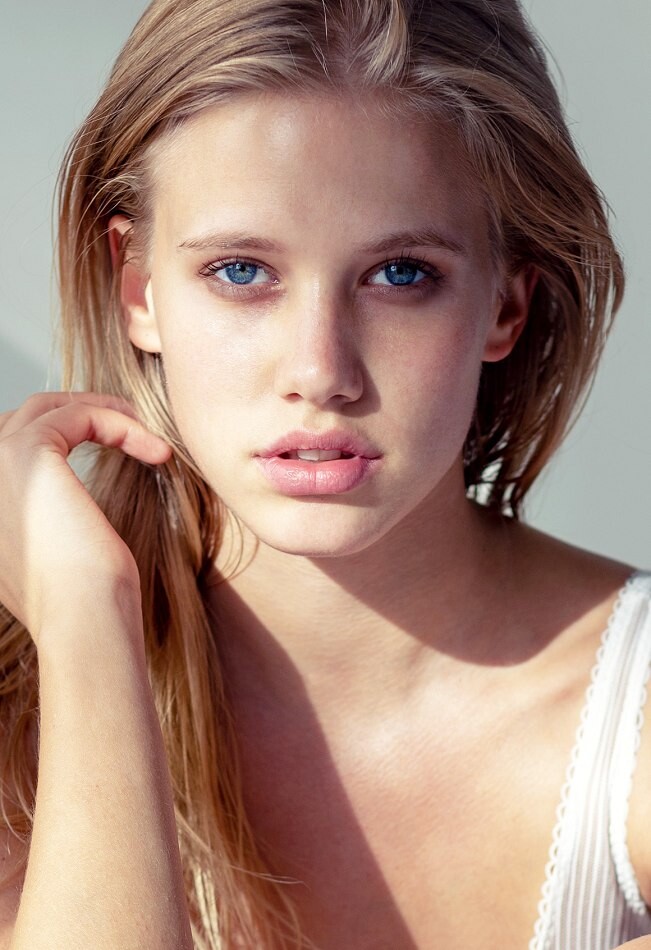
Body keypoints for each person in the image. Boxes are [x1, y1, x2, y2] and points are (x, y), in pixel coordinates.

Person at [0, 0, 649, 947]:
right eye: (239, 272)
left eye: (400, 274)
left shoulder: (631, 710)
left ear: (506, 305)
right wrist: (89, 631)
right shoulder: (17, 715)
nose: (319, 371)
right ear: (138, 291)